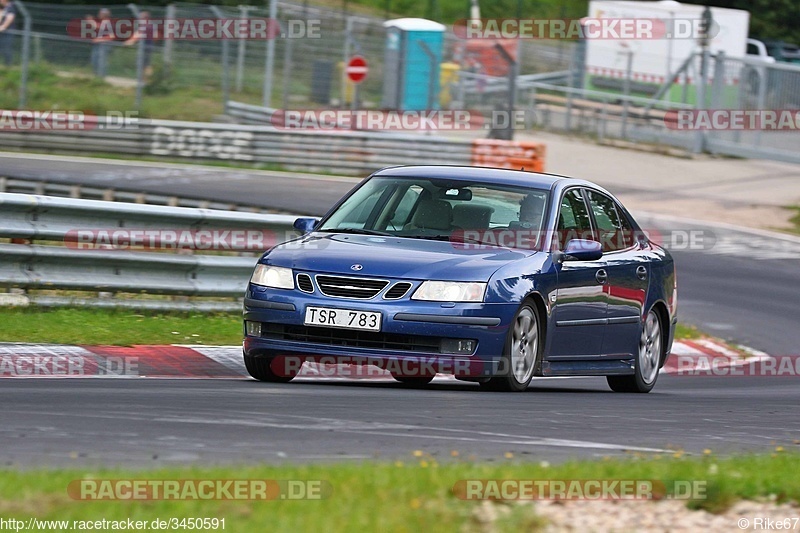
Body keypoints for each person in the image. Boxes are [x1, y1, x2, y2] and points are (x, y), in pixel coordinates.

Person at [124, 11, 154, 79]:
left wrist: (130, 41)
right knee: (145, 64)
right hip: (147, 47)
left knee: (143, 64)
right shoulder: (148, 25)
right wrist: (130, 40)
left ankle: (144, 80)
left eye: (141, 18)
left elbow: (138, 35)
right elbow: (137, 33)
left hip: (145, 48)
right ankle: (144, 80)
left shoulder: (146, 26)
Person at [90, 8, 112, 77]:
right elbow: (98, 27)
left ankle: (101, 76)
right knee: (94, 61)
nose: (99, 14)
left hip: (104, 45)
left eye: (101, 13)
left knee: (101, 61)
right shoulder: (103, 23)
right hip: (98, 45)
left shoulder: (108, 23)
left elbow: (111, 36)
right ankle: (96, 75)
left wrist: (99, 40)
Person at [0, 0, 17, 67]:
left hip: (8, 32)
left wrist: (3, 27)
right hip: (1, 31)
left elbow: (10, 18)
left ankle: (8, 65)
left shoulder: (11, 7)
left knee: (7, 48)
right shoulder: (3, 8)